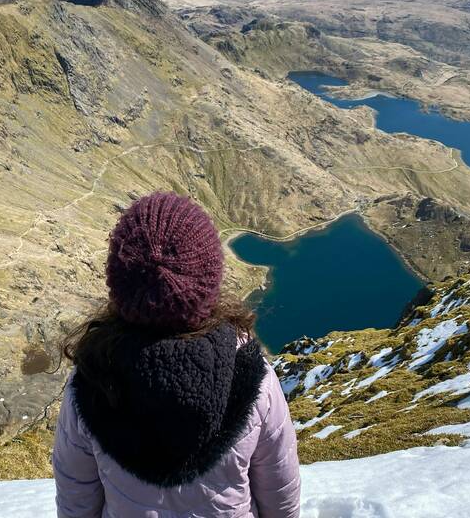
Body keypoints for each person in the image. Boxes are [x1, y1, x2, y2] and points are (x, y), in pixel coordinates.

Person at [53, 191, 301, 518]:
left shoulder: (92, 383)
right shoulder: (252, 378)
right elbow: (280, 490)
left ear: (119, 281)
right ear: (209, 278)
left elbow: (77, 500)